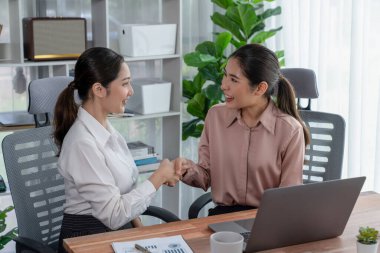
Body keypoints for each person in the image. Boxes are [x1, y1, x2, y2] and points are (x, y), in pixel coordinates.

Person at [53, 47, 179, 253]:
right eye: (125, 83)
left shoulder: (110, 132)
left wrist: (144, 236)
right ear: (99, 89)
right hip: (86, 239)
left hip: (115, 232)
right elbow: (113, 215)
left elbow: (124, 195)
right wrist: (158, 177)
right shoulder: (82, 143)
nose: (131, 91)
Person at [176, 43, 310, 216]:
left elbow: (287, 198)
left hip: (267, 219)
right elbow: (206, 175)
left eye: (233, 79)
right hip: (222, 219)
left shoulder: (290, 131)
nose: (224, 85)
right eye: (225, 75)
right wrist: (187, 169)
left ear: (260, 88)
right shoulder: (216, 117)